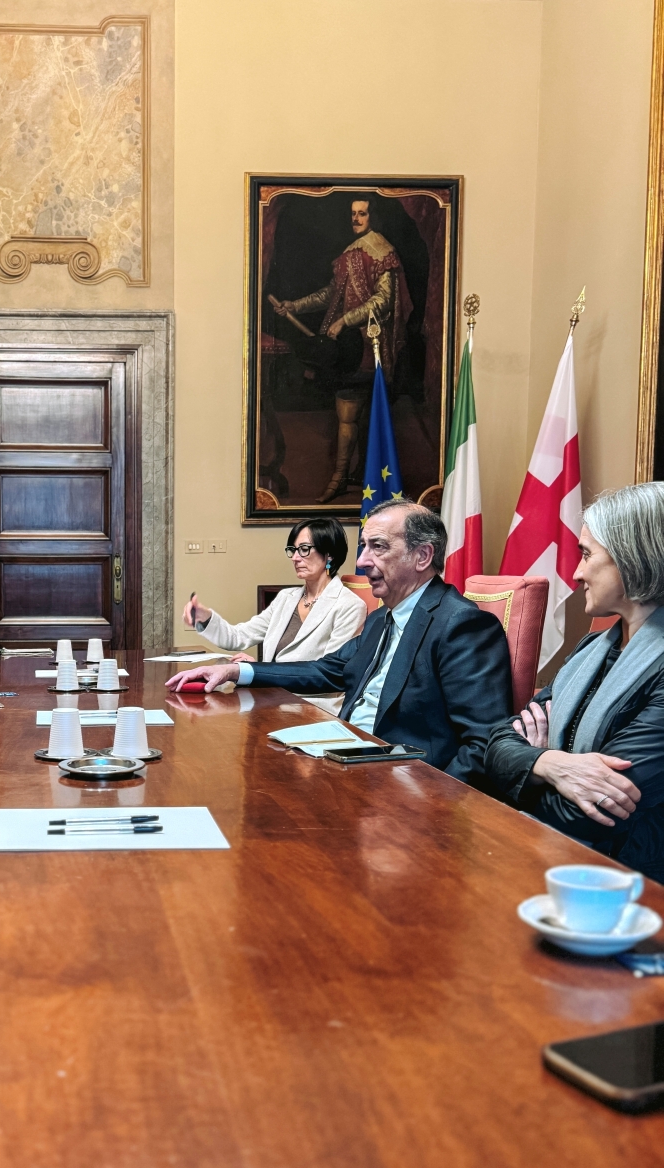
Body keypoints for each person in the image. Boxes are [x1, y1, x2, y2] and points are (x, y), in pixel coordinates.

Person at [166, 499, 512, 783]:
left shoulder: (462, 625)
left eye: (378, 547)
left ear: (422, 556)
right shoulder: (381, 618)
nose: (362, 562)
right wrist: (234, 672)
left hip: (402, 781)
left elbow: (483, 744)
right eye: (364, 547)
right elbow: (326, 670)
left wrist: (435, 804)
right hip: (346, 758)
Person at [484, 483, 664, 880]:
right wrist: (550, 761)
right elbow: (496, 745)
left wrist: (529, 766)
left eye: (586, 554)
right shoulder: (592, 647)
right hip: (555, 856)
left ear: (633, 557)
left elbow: (593, 812)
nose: (576, 572)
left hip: (630, 886)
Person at [268, 196, 414, 501]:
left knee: (365, 416)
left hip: (368, 345)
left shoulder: (383, 251)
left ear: (373, 216)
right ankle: (341, 476)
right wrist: (293, 305)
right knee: (347, 413)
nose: (356, 218)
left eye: (362, 213)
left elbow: (383, 301)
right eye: (353, 214)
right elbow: (329, 295)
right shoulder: (350, 253)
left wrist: (345, 320)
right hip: (347, 348)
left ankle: (360, 478)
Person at [185, 517, 366, 663]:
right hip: (273, 695)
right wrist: (205, 617)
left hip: (313, 703)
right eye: (292, 550)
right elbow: (238, 636)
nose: (295, 558)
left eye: (303, 549)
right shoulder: (285, 598)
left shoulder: (349, 606)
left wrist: (258, 671)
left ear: (329, 555)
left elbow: (328, 672)